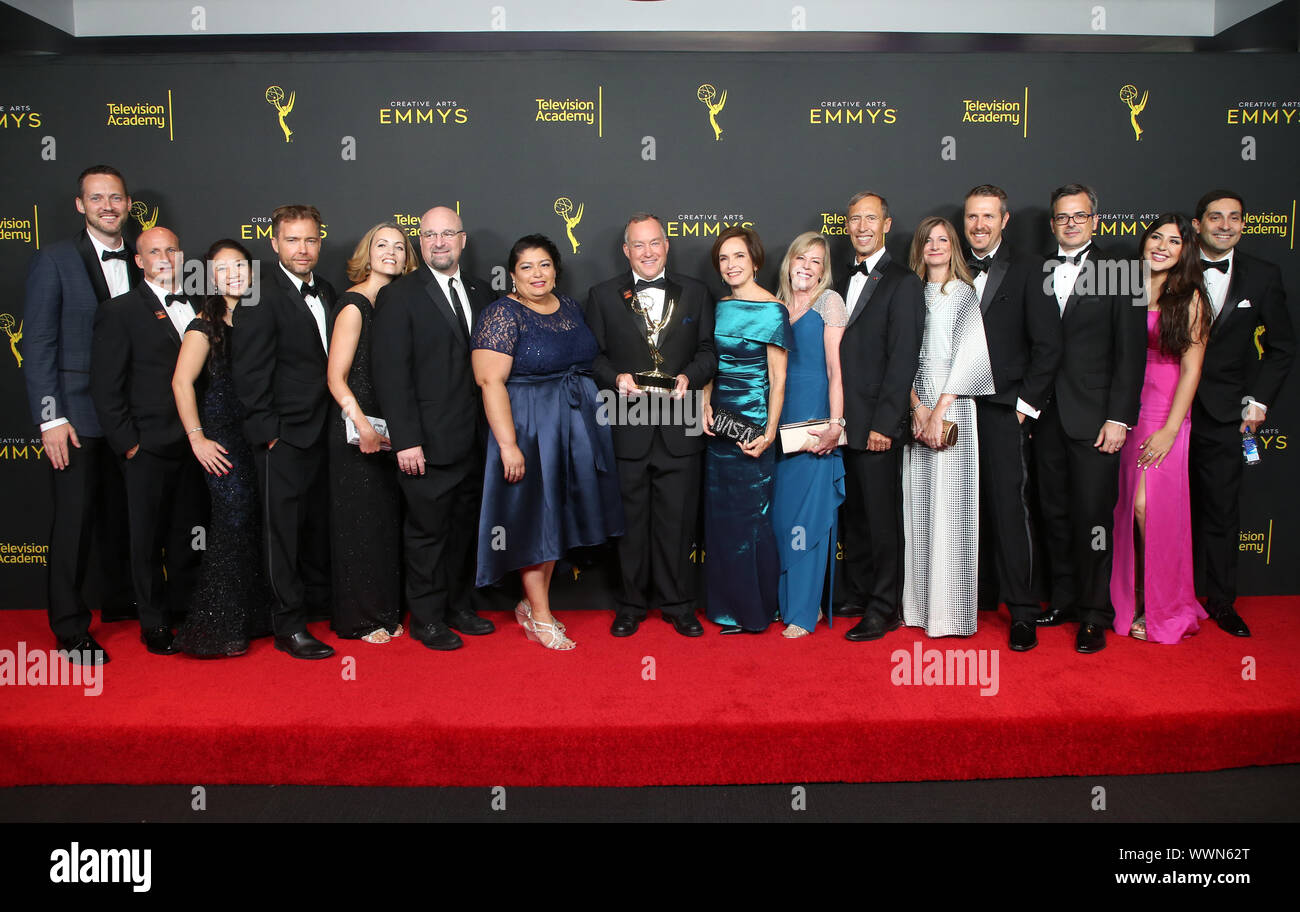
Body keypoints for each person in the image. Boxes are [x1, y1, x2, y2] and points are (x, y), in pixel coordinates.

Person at [472, 234, 624, 650]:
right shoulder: (502, 315)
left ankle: (529, 604)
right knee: (536, 519)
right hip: (529, 428)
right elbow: (490, 382)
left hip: (572, 427)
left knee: (555, 517)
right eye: (526, 267)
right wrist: (507, 445)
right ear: (512, 274)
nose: (537, 274)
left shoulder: (571, 307)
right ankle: (540, 616)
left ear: (556, 269)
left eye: (544, 265)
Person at [23, 165, 138, 664]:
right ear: (80, 205)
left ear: (128, 204)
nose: (108, 205)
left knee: (122, 518)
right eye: (97, 198)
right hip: (75, 418)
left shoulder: (141, 261)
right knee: (74, 524)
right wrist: (50, 419)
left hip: (130, 416)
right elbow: (39, 343)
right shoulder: (54, 260)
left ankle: (119, 604)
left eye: (115, 197)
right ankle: (70, 627)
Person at [584, 213, 716, 638]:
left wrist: (689, 378)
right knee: (631, 522)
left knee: (678, 522)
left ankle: (679, 605)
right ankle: (630, 605)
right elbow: (593, 357)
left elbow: (710, 351)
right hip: (628, 423)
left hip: (679, 422)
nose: (648, 252)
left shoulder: (696, 293)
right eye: (638, 245)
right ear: (626, 251)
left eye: (655, 242)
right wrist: (615, 378)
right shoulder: (603, 296)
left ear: (667, 245)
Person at [371, 206, 496, 651]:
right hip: (425, 440)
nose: (439, 242)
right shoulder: (400, 295)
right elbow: (390, 374)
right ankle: (426, 618)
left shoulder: (483, 292)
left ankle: (459, 606)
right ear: (420, 243)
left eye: (447, 234)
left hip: (475, 439)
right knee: (427, 534)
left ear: (463, 240)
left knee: (464, 529)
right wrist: (406, 439)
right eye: (429, 235)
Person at [1033, 183, 1147, 653]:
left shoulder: (1120, 272)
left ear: (1095, 221)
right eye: (1062, 217)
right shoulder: (1037, 269)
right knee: (1055, 513)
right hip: (1045, 415)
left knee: (1094, 519)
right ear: (1053, 223)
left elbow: (1131, 352)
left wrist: (1119, 417)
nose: (1071, 223)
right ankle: (1063, 599)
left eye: (1079, 216)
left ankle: (1095, 613)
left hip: (1097, 417)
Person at [89, 226, 208, 656]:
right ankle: (153, 622)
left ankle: (183, 611)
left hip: (195, 446)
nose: (164, 257)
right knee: (145, 540)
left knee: (187, 535)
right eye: (154, 251)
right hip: (147, 447)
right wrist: (129, 445)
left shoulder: (200, 305)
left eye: (171, 249)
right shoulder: (119, 311)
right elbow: (106, 386)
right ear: (138, 261)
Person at [231, 205, 336, 660]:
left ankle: (316, 609)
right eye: (292, 240)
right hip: (284, 436)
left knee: (313, 530)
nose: (302, 249)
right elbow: (249, 372)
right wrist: (269, 434)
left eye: (310, 240)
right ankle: (287, 627)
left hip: (326, 432)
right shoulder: (259, 293)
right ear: (274, 244)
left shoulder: (327, 291)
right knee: (282, 534)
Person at [1189, 190, 1295, 638]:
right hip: (1161, 408)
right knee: (1152, 509)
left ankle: (1222, 600)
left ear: (1244, 225)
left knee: (1220, 512)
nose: (1225, 225)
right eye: (1216, 217)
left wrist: (1258, 400)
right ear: (1198, 225)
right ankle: (1151, 595)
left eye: (1234, 218)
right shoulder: (1170, 263)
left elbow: (1282, 347)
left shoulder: (1263, 275)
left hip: (1224, 414)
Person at [962, 185, 1062, 652]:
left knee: (1008, 506)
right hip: (956, 409)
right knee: (962, 507)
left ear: (1004, 220)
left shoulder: (1030, 269)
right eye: (971, 217)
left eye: (987, 217)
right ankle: (969, 601)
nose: (978, 225)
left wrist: (1025, 407)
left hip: (1004, 410)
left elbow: (1048, 345)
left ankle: (1022, 611)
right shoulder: (951, 266)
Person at [1111, 214, 1211, 643]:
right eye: (1156, 237)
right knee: (1123, 509)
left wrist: (1172, 428)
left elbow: (1192, 369)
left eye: (1174, 241)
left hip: (1164, 410)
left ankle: (1164, 605)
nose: (1162, 247)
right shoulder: (1124, 285)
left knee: (1149, 509)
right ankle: (1128, 599)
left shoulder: (1190, 297)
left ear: (1185, 251)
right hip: (1126, 407)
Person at [171, 240, 274, 657]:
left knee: (252, 522)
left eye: (239, 266)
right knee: (232, 522)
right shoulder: (203, 324)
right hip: (221, 439)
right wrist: (197, 437)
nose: (232, 273)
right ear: (210, 275)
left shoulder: (255, 319)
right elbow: (181, 383)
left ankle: (251, 618)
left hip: (254, 434)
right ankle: (217, 625)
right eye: (222, 267)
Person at [835, 191, 925, 642]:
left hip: (876, 425)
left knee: (883, 518)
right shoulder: (836, 279)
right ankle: (860, 591)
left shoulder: (904, 282)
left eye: (871, 219)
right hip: (841, 423)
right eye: (855, 219)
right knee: (855, 515)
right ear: (847, 225)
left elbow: (903, 358)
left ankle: (885, 606)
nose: (863, 227)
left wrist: (884, 425)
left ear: (887, 225)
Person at [902, 217, 995, 637]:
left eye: (943, 240)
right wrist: (917, 409)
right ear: (919, 247)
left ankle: (950, 614)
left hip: (954, 406)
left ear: (952, 247)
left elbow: (970, 356)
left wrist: (938, 411)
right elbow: (900, 355)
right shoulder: (909, 293)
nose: (935, 246)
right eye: (928, 241)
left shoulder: (962, 293)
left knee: (953, 511)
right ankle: (919, 609)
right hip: (916, 407)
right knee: (918, 510)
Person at [326, 223, 413, 644]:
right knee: (358, 524)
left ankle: (385, 610)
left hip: (389, 428)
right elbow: (335, 377)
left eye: (399, 246)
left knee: (383, 522)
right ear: (367, 252)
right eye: (382, 245)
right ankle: (359, 619)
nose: (391, 252)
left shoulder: (396, 305)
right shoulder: (354, 305)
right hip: (355, 431)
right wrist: (361, 425)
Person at [701, 227, 789, 634]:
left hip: (753, 425)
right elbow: (708, 363)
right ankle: (725, 608)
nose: (731, 265)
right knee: (722, 521)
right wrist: (703, 401)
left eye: (738, 257)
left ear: (755, 261)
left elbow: (777, 377)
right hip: (718, 424)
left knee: (753, 519)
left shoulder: (773, 310)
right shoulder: (718, 307)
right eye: (724, 259)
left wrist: (770, 431)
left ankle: (755, 609)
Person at [771, 232, 846, 638]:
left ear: (824, 269)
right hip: (779, 425)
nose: (807, 266)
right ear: (789, 262)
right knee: (784, 519)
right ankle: (789, 603)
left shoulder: (829, 302)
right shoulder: (777, 307)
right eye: (801, 257)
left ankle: (804, 610)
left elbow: (835, 369)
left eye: (816, 261)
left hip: (816, 425)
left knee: (810, 519)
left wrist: (837, 424)